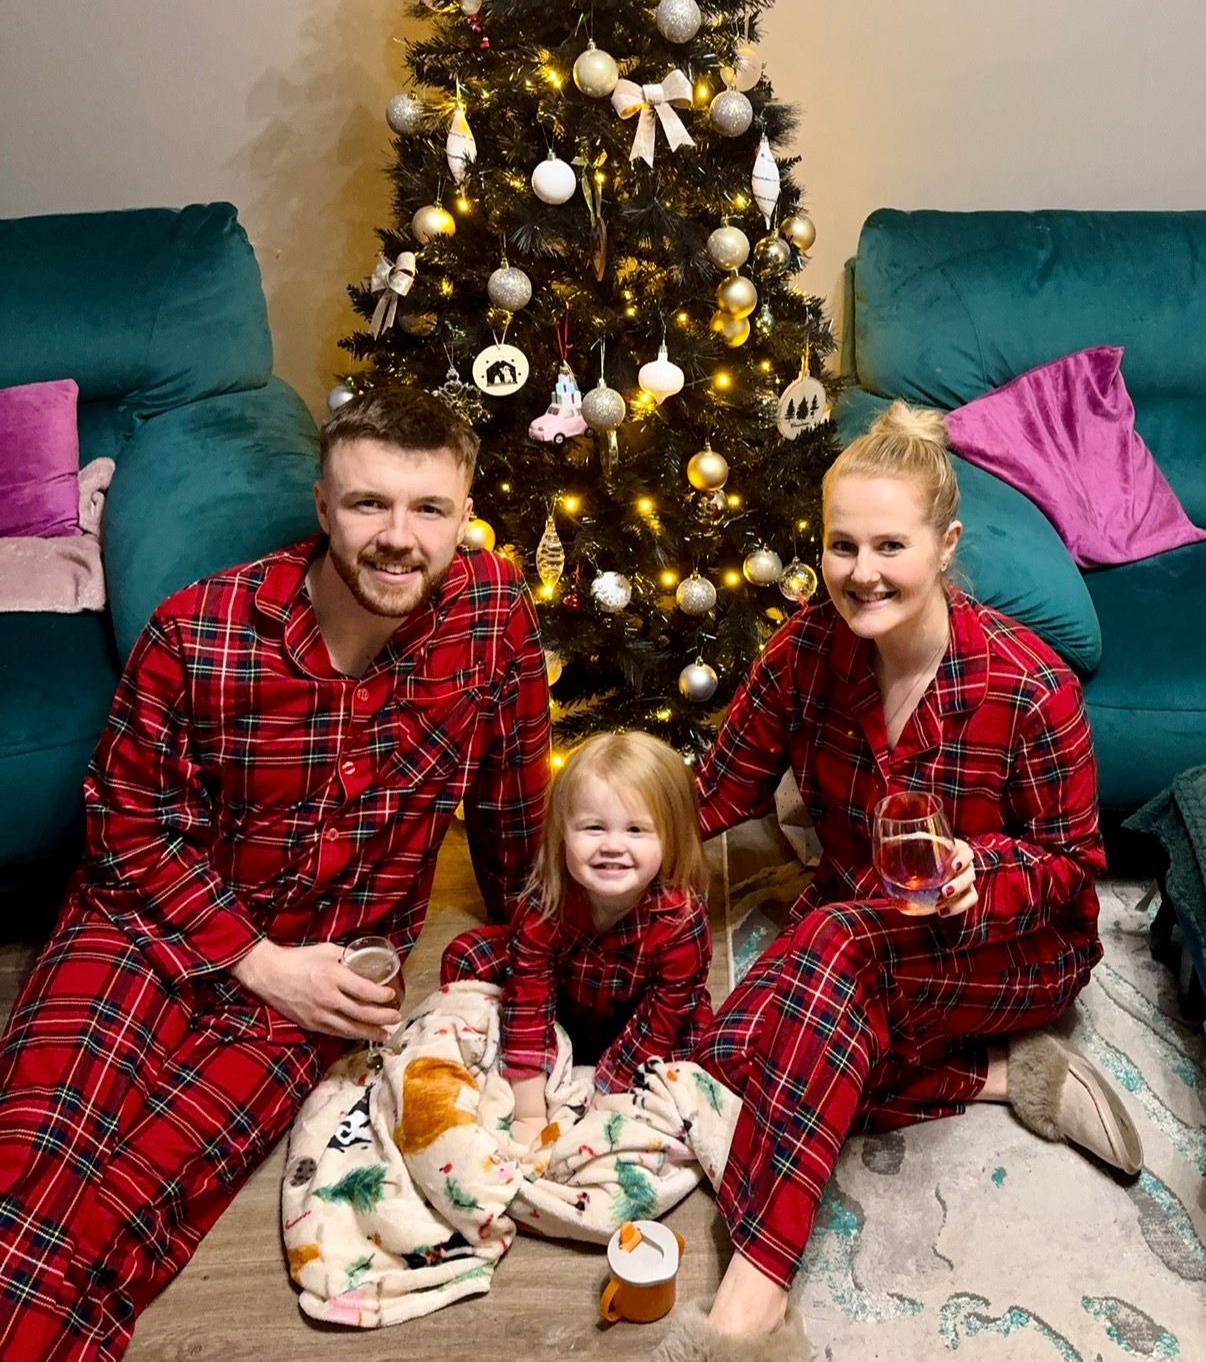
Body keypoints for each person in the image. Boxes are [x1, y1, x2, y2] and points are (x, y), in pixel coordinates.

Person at [0, 388, 550, 1360]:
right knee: (28, 1159)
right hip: (145, 919)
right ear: (322, 504)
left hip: (327, 970)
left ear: (464, 514)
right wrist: (255, 960)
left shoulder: (494, 614)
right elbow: (127, 824)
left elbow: (514, 807)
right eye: (368, 503)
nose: (398, 536)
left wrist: (538, 959)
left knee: (128, 1209)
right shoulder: (198, 632)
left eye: (428, 508)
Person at [652, 403, 1142, 1362]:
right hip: (859, 929)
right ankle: (1000, 1077)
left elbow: (1074, 866)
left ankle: (749, 1308)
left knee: (830, 952)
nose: (862, 571)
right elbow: (715, 793)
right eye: (842, 545)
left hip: (1014, 944)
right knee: (725, 1053)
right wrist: (611, 828)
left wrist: (981, 869)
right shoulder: (805, 651)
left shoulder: (1031, 686)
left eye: (889, 545)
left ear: (945, 545)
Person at [442, 730, 712, 1145]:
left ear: (671, 838)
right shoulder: (546, 902)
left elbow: (662, 1017)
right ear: (562, 834)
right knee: (467, 954)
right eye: (593, 827)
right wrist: (529, 1112)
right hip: (563, 1009)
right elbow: (529, 999)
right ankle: (505, 1061)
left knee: (697, 1046)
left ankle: (596, 1078)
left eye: (636, 830)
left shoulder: (681, 919)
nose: (613, 846)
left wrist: (605, 1095)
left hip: (635, 1021)